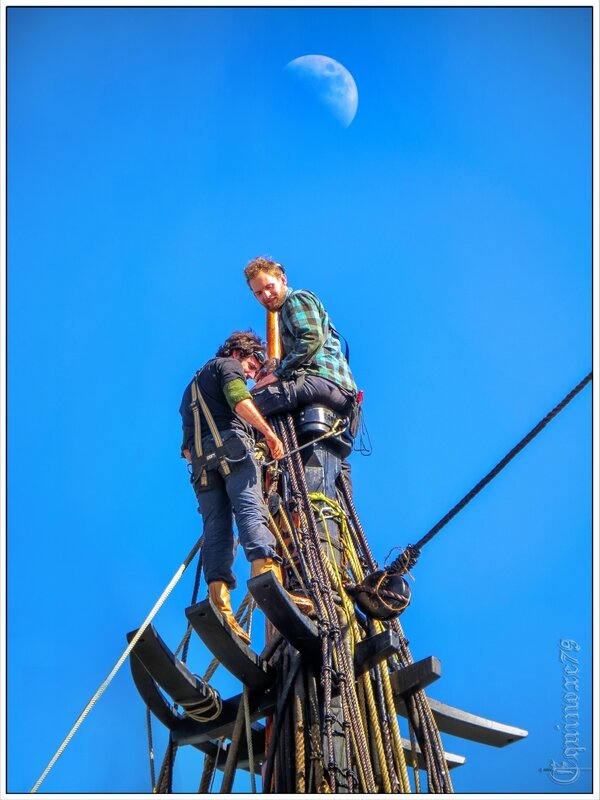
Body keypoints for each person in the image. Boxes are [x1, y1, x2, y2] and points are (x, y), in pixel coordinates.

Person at [179, 330, 311, 644]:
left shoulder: (190, 390)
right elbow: (240, 400)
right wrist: (268, 434)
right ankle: (270, 583)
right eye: (252, 364)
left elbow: (185, 448)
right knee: (252, 513)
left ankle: (220, 604)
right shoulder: (227, 366)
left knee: (217, 530)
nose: (252, 373)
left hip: (202, 470)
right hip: (235, 452)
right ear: (239, 352)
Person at [243, 256, 359, 436]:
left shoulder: (295, 300)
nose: (266, 295)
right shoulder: (284, 314)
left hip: (323, 380)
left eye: (269, 286)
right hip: (342, 396)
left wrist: (277, 374)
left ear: (283, 279)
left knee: (247, 410)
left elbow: (310, 338)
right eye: (258, 293)